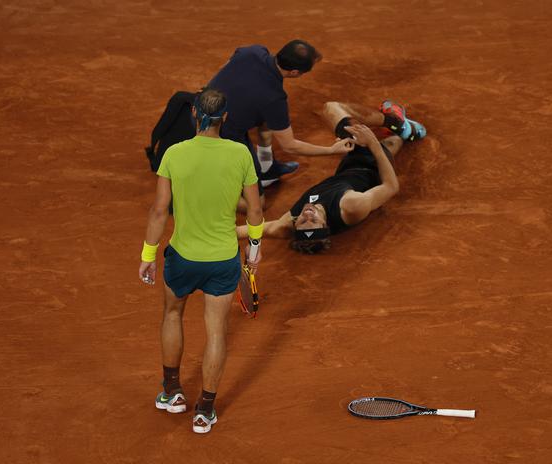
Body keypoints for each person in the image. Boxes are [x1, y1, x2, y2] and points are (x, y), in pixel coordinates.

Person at [138, 88, 265, 434]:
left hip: (181, 258)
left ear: (195, 114)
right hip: (223, 260)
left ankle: (172, 392)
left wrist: (148, 255)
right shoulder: (240, 154)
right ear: (225, 118)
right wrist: (253, 249)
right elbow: (255, 209)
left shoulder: (174, 154)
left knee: (172, 313)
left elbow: (159, 210)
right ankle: (204, 411)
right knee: (216, 332)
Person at [236, 100, 426, 253]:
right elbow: (391, 186)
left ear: (295, 224)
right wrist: (372, 143)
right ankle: (396, 122)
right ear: (325, 223)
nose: (308, 215)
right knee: (331, 108)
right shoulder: (351, 206)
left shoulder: (287, 224)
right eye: (314, 220)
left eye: (303, 221)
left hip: (346, 170)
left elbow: (245, 231)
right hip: (372, 167)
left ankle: (404, 134)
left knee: (391, 145)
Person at [207, 39, 354, 198]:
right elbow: (290, 146)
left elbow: (224, 68)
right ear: (294, 73)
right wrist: (331, 150)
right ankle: (203, 191)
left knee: (265, 121)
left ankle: (266, 167)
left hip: (199, 107)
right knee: (257, 202)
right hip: (215, 135)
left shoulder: (253, 51)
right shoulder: (274, 99)